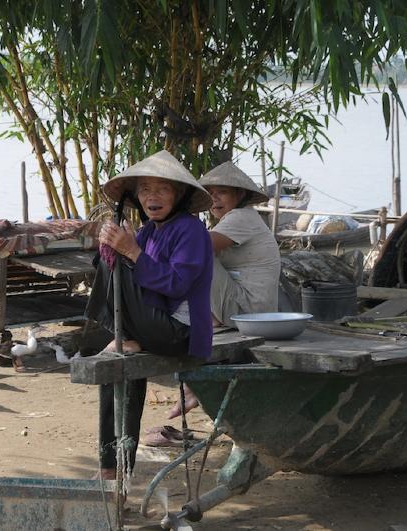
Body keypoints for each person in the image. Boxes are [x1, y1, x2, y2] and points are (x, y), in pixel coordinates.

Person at [84, 149, 214, 480]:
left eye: (161, 189)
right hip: (152, 325)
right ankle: (112, 471)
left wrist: (130, 251)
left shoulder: (191, 231)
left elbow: (176, 283)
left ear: (179, 194)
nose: (150, 197)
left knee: (121, 258)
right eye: (144, 189)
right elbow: (129, 268)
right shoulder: (149, 231)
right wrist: (115, 248)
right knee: (114, 376)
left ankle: (128, 336)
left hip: (179, 332)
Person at [165, 161, 281, 421]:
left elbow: (195, 248)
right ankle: (209, 320)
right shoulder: (235, 219)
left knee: (195, 253)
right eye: (211, 193)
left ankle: (210, 319)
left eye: (223, 192)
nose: (215, 198)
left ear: (239, 196)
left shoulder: (242, 217)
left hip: (249, 312)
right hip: (246, 307)